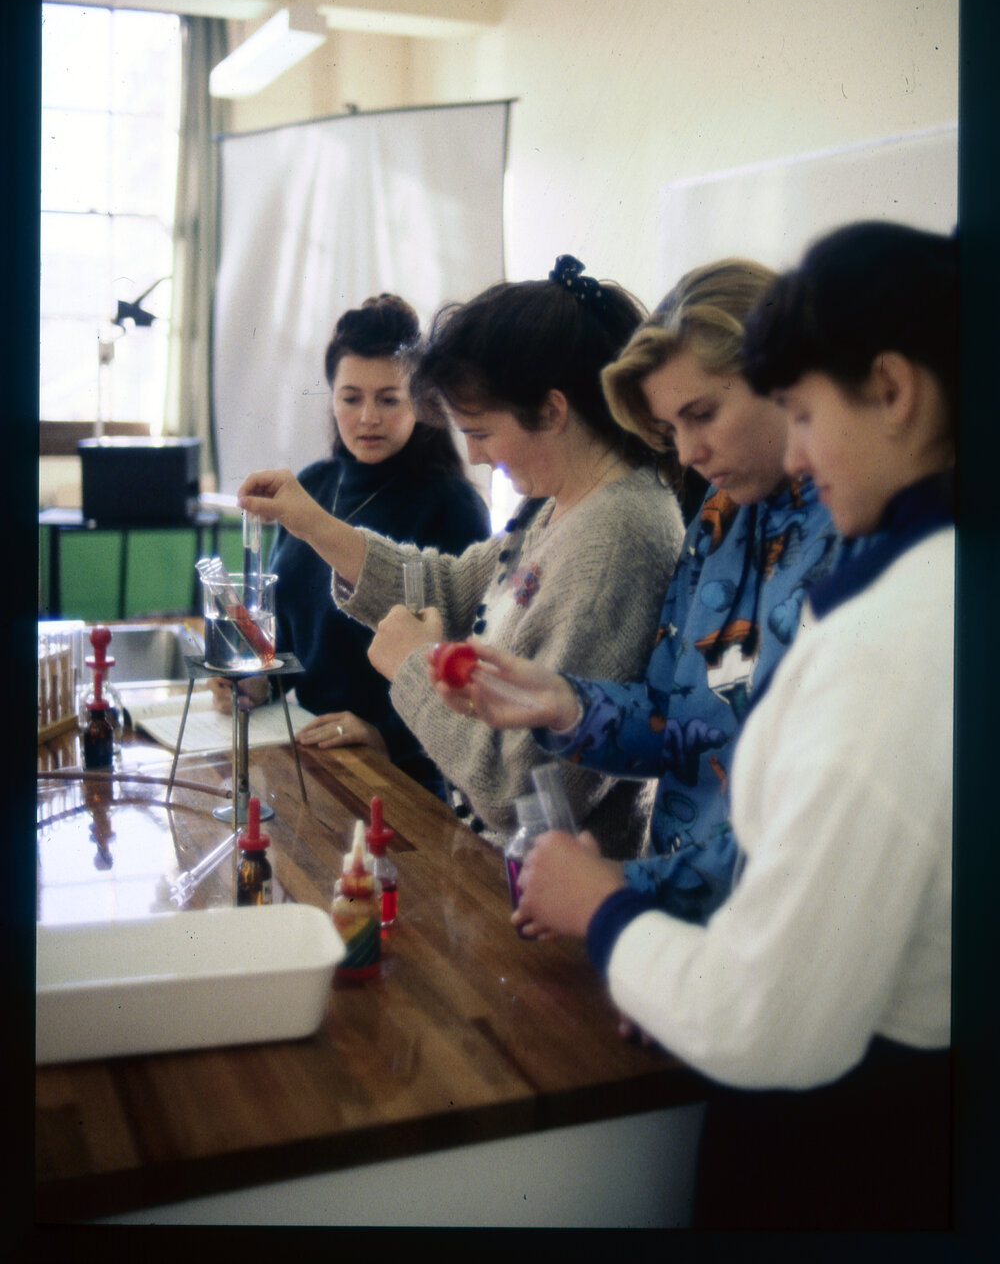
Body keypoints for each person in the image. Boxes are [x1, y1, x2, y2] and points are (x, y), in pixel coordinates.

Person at [519, 221, 957, 1229]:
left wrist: (613, 908)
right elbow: (699, 722)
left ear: (892, 392)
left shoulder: (888, 627)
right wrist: (567, 706)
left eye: (801, 412)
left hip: (845, 1115)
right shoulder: (726, 530)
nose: (797, 452)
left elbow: (770, 1017)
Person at [434, 259, 843, 924]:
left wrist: (621, 890)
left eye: (702, 415)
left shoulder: (851, 539)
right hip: (687, 935)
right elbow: (668, 717)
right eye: (672, 429)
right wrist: (561, 703)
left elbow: (805, 828)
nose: (687, 454)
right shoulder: (717, 519)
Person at [237, 256, 686, 859]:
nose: (472, 456)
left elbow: (521, 789)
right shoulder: (560, 503)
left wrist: (413, 666)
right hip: (497, 869)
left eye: (479, 431)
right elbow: (448, 586)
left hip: (554, 897)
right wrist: (310, 521)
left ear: (552, 412)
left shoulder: (618, 537)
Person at [210, 294, 491, 797]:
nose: (367, 418)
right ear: (331, 398)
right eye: (351, 397)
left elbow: (463, 660)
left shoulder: (452, 504)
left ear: (422, 402)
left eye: (389, 399)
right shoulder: (311, 487)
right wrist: (257, 680)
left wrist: (384, 733)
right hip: (306, 750)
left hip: (401, 770)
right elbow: (291, 639)